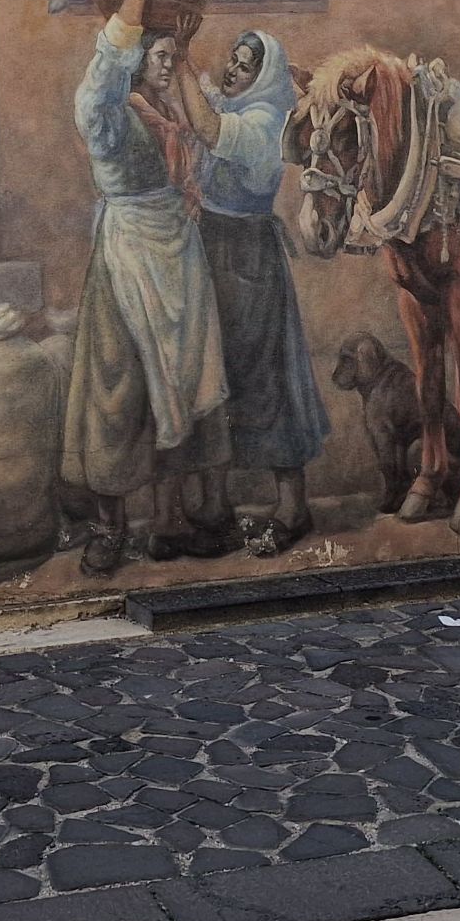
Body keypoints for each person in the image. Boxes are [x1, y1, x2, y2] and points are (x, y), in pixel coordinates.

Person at [60, 0, 230, 577]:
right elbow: (109, 61)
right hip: (127, 257)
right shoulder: (106, 115)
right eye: (153, 57)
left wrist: (182, 61)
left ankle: (172, 519)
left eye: (164, 56)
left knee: (188, 378)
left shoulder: (172, 121)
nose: (162, 66)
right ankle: (110, 527)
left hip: (179, 255)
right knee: (118, 388)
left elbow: (209, 158)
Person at [171, 29, 331, 556]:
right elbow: (197, 106)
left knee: (265, 376)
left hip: (247, 255)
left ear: (263, 76)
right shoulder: (233, 104)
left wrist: (182, 51)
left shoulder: (265, 122)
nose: (233, 71)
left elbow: (207, 127)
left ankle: (292, 507)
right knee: (213, 374)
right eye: (233, 62)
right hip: (211, 245)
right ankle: (215, 507)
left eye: (245, 66)